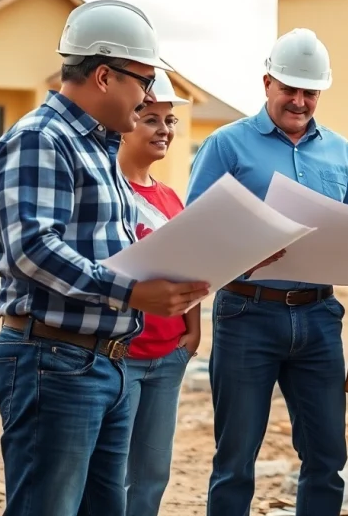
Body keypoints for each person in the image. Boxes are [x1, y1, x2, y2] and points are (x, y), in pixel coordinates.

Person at [0, 0, 211, 516]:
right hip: (54, 360)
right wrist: (132, 291)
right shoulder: (41, 139)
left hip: (104, 360)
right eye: (143, 81)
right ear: (105, 75)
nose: (149, 96)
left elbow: (117, 245)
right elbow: (33, 249)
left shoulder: (100, 147)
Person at [187, 27, 348, 516]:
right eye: (290, 89)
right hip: (247, 314)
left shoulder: (342, 153)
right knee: (235, 459)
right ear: (267, 82)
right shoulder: (225, 146)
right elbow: (194, 228)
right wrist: (243, 248)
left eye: (310, 92)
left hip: (319, 316)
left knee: (327, 458)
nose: (300, 100)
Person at [118, 68, 198, 516]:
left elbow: (192, 269)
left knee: (152, 474)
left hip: (167, 355)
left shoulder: (171, 197)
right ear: (128, 120)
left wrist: (191, 333)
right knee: (110, 475)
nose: (164, 130)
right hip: (121, 354)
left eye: (170, 121)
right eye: (151, 119)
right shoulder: (107, 191)